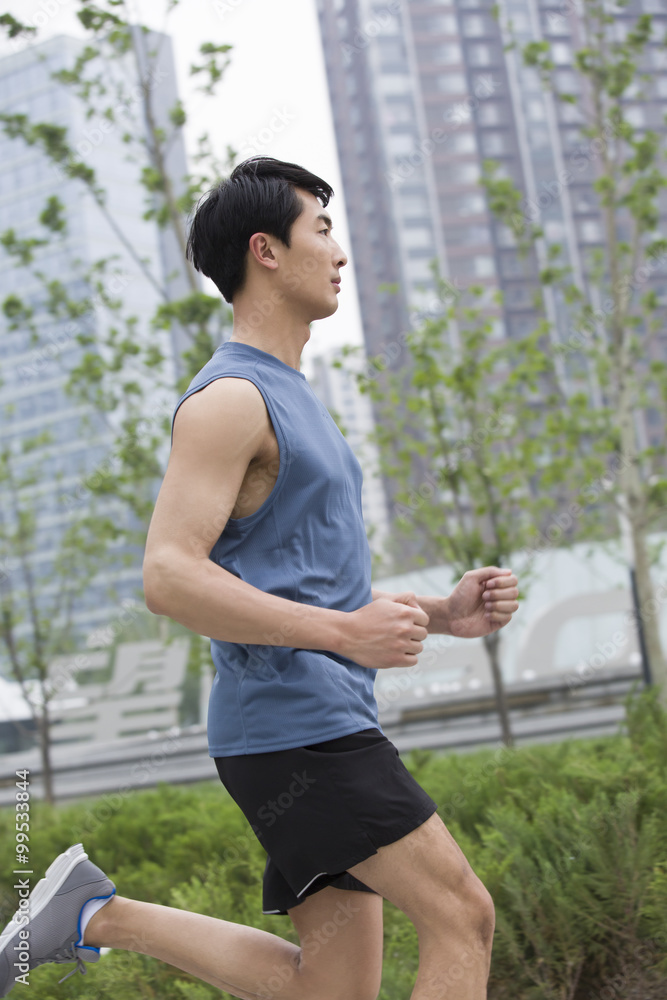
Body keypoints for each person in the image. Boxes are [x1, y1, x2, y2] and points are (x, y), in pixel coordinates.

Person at [0, 156, 519, 1000]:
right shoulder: (232, 398)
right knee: (463, 916)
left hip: (310, 725)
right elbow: (168, 576)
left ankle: (99, 915)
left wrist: (439, 612)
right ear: (265, 252)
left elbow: (305, 582)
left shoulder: (296, 396)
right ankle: (96, 915)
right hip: (297, 732)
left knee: (330, 991)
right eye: (320, 229)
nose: (340, 251)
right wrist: (346, 635)